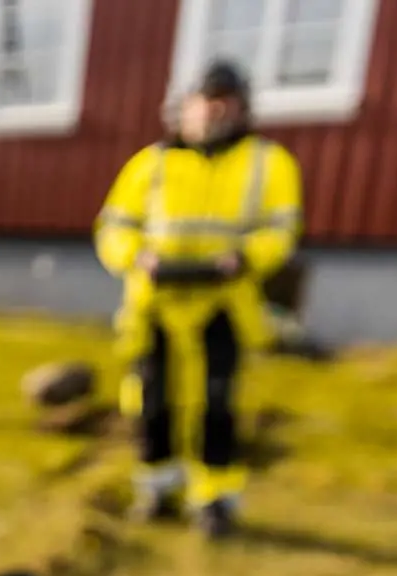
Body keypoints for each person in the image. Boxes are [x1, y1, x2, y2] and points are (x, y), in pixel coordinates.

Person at [93, 60, 303, 539]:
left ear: (243, 108)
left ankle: (214, 497)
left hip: (223, 302)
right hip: (154, 303)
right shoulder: (153, 162)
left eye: (225, 101)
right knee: (152, 399)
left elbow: (281, 230)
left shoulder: (267, 162)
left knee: (216, 401)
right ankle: (157, 485)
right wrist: (137, 259)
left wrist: (242, 259)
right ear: (184, 107)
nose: (213, 112)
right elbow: (114, 227)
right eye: (206, 101)